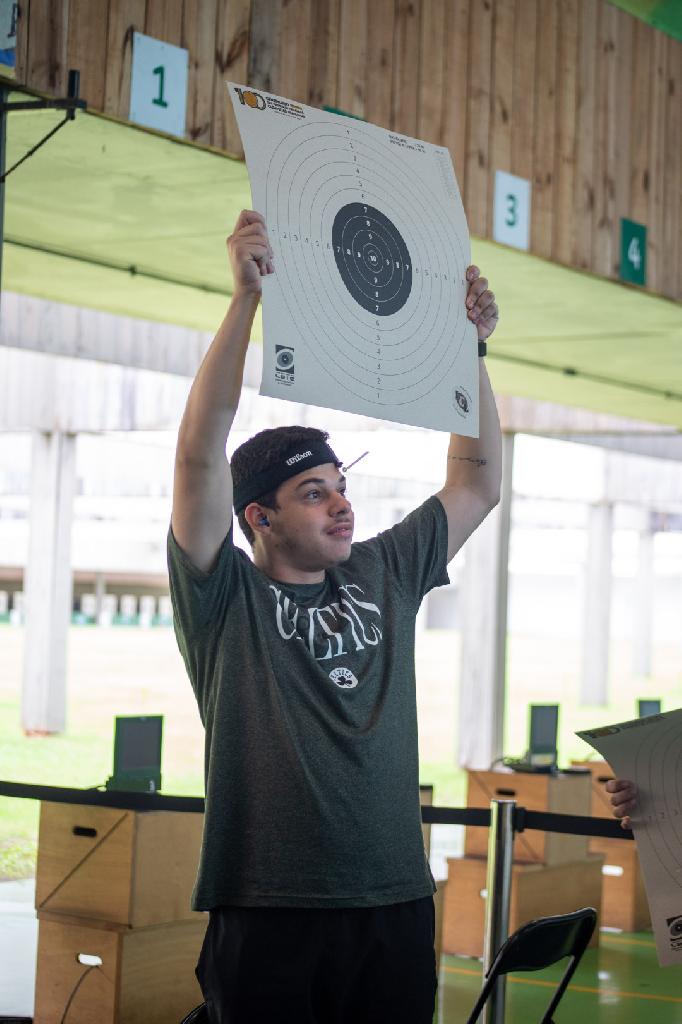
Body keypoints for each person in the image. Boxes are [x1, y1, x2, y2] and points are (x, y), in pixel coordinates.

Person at [168, 209, 501, 1024]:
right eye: (313, 493)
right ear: (258, 517)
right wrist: (245, 301)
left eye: (341, 487)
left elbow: (477, 483)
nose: (341, 506)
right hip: (269, 907)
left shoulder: (384, 571)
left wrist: (469, 352)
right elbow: (199, 455)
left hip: (394, 901)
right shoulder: (224, 598)